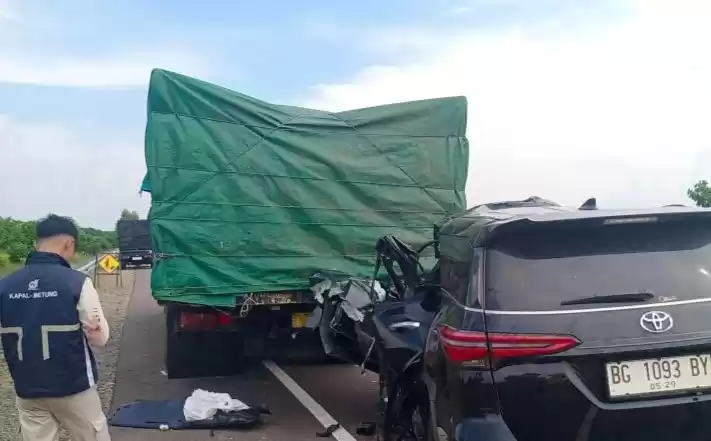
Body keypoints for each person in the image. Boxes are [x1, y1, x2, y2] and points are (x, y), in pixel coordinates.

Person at [0, 214, 111, 441]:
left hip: (27, 388)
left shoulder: (5, 285)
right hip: (74, 387)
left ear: (36, 243)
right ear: (69, 243)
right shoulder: (77, 282)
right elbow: (100, 338)